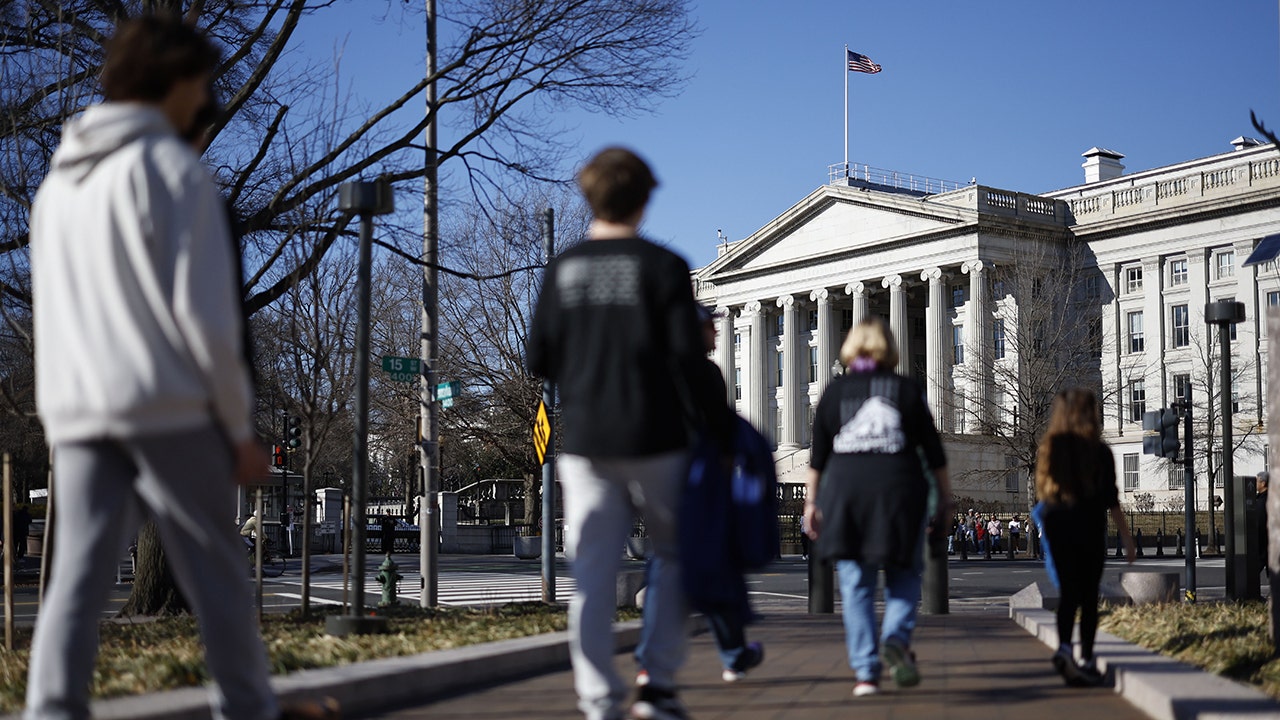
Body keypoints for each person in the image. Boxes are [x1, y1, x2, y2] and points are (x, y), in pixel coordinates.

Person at [24, 15, 334, 720]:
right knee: (218, 575)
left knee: (75, 581)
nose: (204, 97)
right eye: (200, 82)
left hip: (77, 407)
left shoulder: (59, 186)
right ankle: (249, 708)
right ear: (172, 80)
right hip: (166, 406)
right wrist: (236, 427)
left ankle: (51, 711)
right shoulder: (172, 172)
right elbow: (207, 322)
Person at [527, 147, 709, 720]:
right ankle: (657, 683)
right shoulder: (664, 267)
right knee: (676, 556)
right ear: (645, 197)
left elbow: (539, 357)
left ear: (588, 195)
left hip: (584, 439)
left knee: (592, 571)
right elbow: (687, 358)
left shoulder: (563, 269)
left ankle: (598, 697)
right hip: (657, 435)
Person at [804, 318, 952, 698]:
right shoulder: (906, 390)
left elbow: (817, 458)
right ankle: (896, 638)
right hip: (899, 491)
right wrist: (945, 498)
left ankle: (866, 672)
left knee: (856, 584)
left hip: (845, 493)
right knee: (905, 574)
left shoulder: (834, 394)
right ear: (890, 347)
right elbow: (934, 454)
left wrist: (810, 504)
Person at [1033, 388, 1135, 688]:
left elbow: (1043, 491)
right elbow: (1111, 498)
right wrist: (1127, 538)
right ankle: (1087, 658)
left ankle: (1065, 648)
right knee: (1089, 596)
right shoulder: (1099, 451)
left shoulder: (1050, 447)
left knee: (1069, 592)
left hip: (1057, 524)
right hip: (1088, 525)